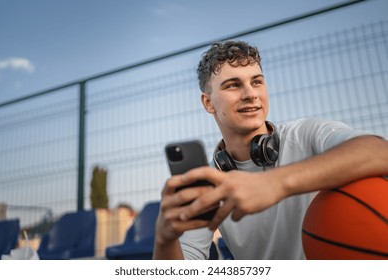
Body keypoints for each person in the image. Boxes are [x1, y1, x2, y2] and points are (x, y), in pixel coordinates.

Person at [153, 40, 388, 260]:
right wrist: (164, 239)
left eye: (257, 81)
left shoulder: (305, 134)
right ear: (208, 103)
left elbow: (379, 151)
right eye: (233, 85)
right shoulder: (210, 182)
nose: (251, 94)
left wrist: (275, 183)